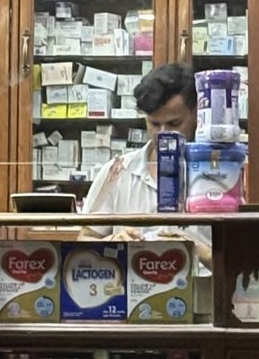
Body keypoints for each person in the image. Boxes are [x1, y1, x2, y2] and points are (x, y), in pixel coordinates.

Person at [81, 62, 210, 260]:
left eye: (174, 123)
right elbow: (85, 239)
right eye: (154, 124)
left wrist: (192, 249)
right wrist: (113, 243)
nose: (163, 134)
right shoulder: (118, 171)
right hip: (133, 284)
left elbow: (240, 261)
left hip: (201, 288)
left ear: (196, 113)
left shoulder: (219, 172)